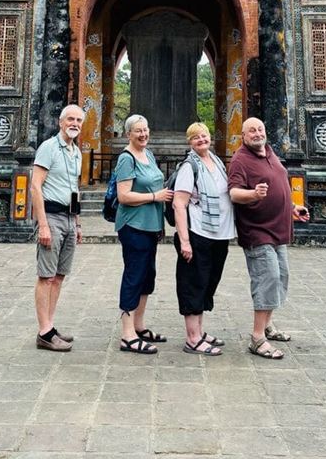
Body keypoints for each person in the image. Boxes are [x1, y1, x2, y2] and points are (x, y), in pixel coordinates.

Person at [228, 117, 309, 360]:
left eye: (260, 129)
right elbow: (233, 193)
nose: (256, 133)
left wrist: (293, 207)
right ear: (243, 136)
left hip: (278, 229)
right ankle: (257, 338)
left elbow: (280, 184)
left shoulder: (270, 153)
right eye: (251, 130)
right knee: (267, 278)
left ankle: (267, 325)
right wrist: (253, 194)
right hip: (257, 230)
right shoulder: (240, 160)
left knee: (280, 276)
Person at [173, 122, 236, 356]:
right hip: (198, 233)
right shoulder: (190, 166)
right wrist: (185, 241)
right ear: (189, 142)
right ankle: (192, 338)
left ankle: (199, 331)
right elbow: (179, 203)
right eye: (196, 137)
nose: (201, 140)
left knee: (209, 281)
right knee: (194, 282)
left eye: (204, 135)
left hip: (219, 233)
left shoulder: (216, 161)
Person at [115, 114, 173, 354]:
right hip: (133, 227)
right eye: (138, 131)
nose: (143, 134)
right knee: (134, 275)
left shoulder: (147, 154)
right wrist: (154, 197)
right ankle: (127, 335)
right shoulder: (126, 159)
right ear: (128, 134)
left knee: (147, 276)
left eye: (146, 129)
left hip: (151, 226)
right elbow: (124, 196)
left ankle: (139, 326)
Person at [31, 104, 85, 351]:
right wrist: (42, 224)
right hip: (51, 217)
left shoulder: (76, 152)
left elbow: (74, 188)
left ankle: (50, 326)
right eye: (70, 119)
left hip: (69, 218)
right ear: (60, 122)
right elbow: (35, 186)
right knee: (46, 276)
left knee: (60, 276)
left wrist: (77, 222)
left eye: (79, 120)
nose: (74, 124)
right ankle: (44, 332)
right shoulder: (49, 148)